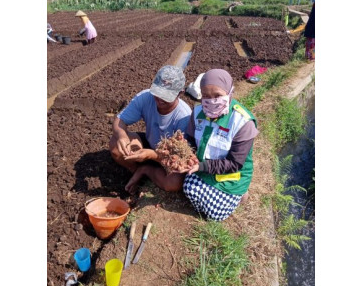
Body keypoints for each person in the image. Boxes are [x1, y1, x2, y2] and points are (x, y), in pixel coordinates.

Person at [180, 69, 258, 221]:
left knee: (215, 215)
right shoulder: (197, 113)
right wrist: (187, 153)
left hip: (231, 176)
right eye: (206, 96)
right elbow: (189, 138)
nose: (212, 101)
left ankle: (241, 193)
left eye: (217, 95)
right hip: (205, 168)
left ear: (230, 93)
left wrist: (201, 167)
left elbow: (235, 163)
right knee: (188, 188)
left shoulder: (242, 122)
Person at [109, 65, 192, 193]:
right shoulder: (145, 97)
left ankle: (146, 170)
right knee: (116, 145)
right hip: (150, 142)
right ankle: (136, 171)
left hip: (169, 156)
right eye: (157, 93)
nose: (159, 99)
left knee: (174, 183)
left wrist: (150, 155)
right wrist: (122, 136)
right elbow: (120, 120)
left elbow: (179, 157)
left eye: (166, 96)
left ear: (180, 93)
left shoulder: (184, 117)